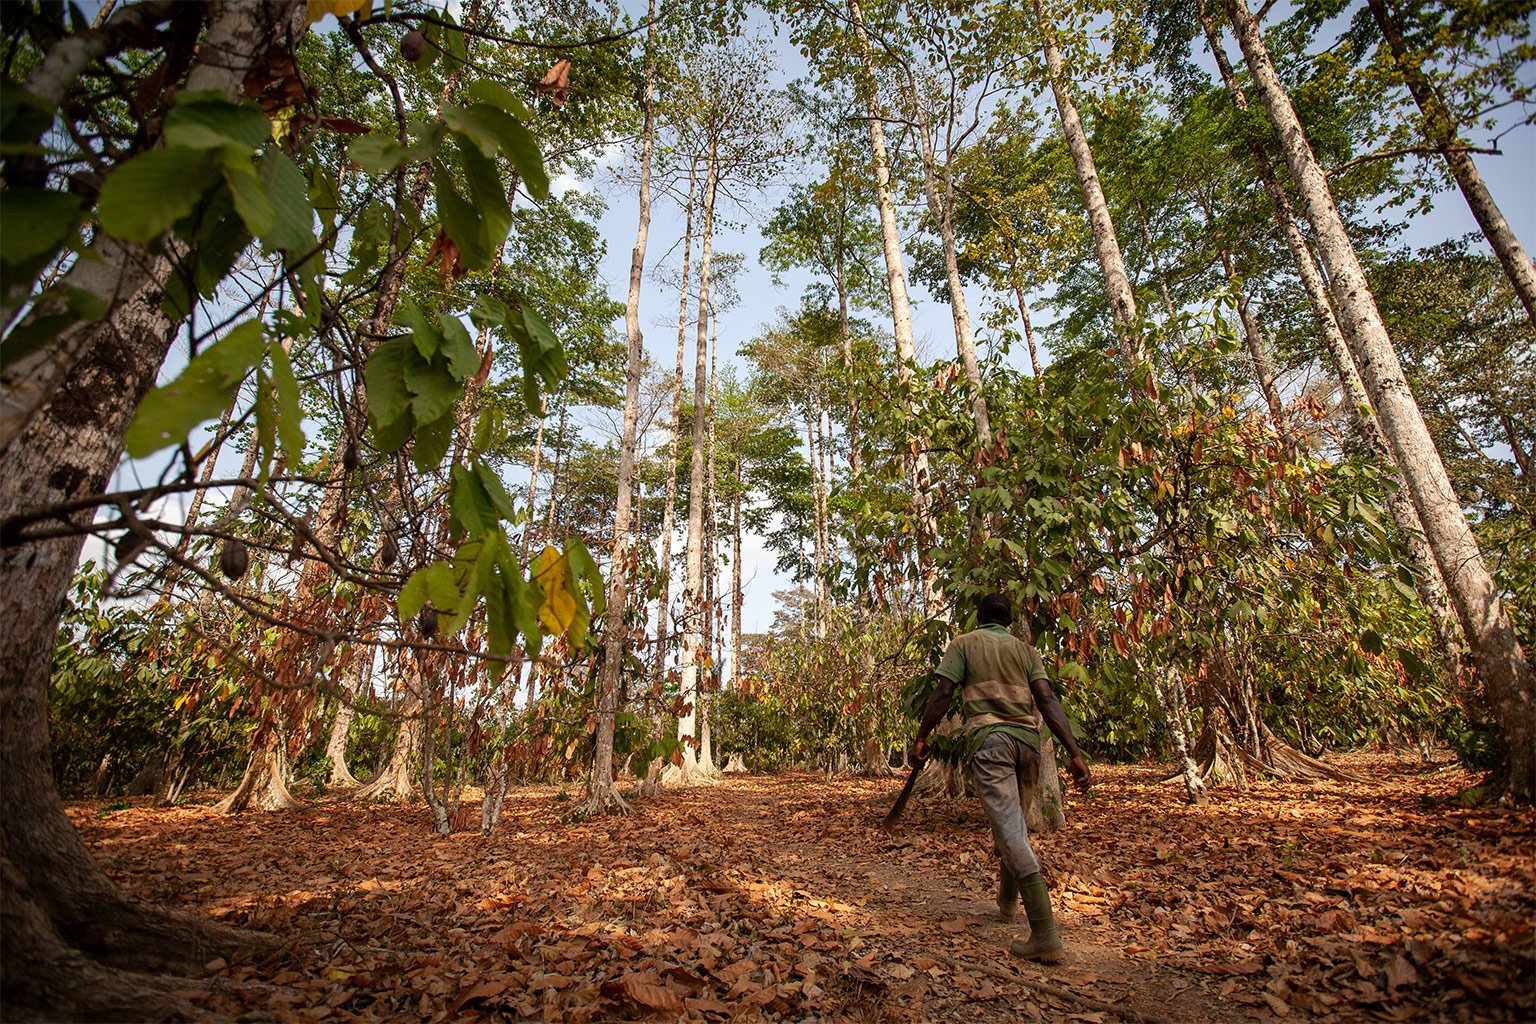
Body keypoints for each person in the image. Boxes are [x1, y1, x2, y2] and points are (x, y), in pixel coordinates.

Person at [911, 592, 1092, 963]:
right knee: (1014, 827)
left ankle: (1045, 934)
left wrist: (922, 735)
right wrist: (1073, 752)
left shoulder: (964, 644)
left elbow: (945, 691)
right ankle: (1007, 904)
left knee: (1011, 833)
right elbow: (1046, 699)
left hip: (991, 742)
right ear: (1008, 621)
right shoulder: (1027, 651)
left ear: (978, 617)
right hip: (1029, 744)